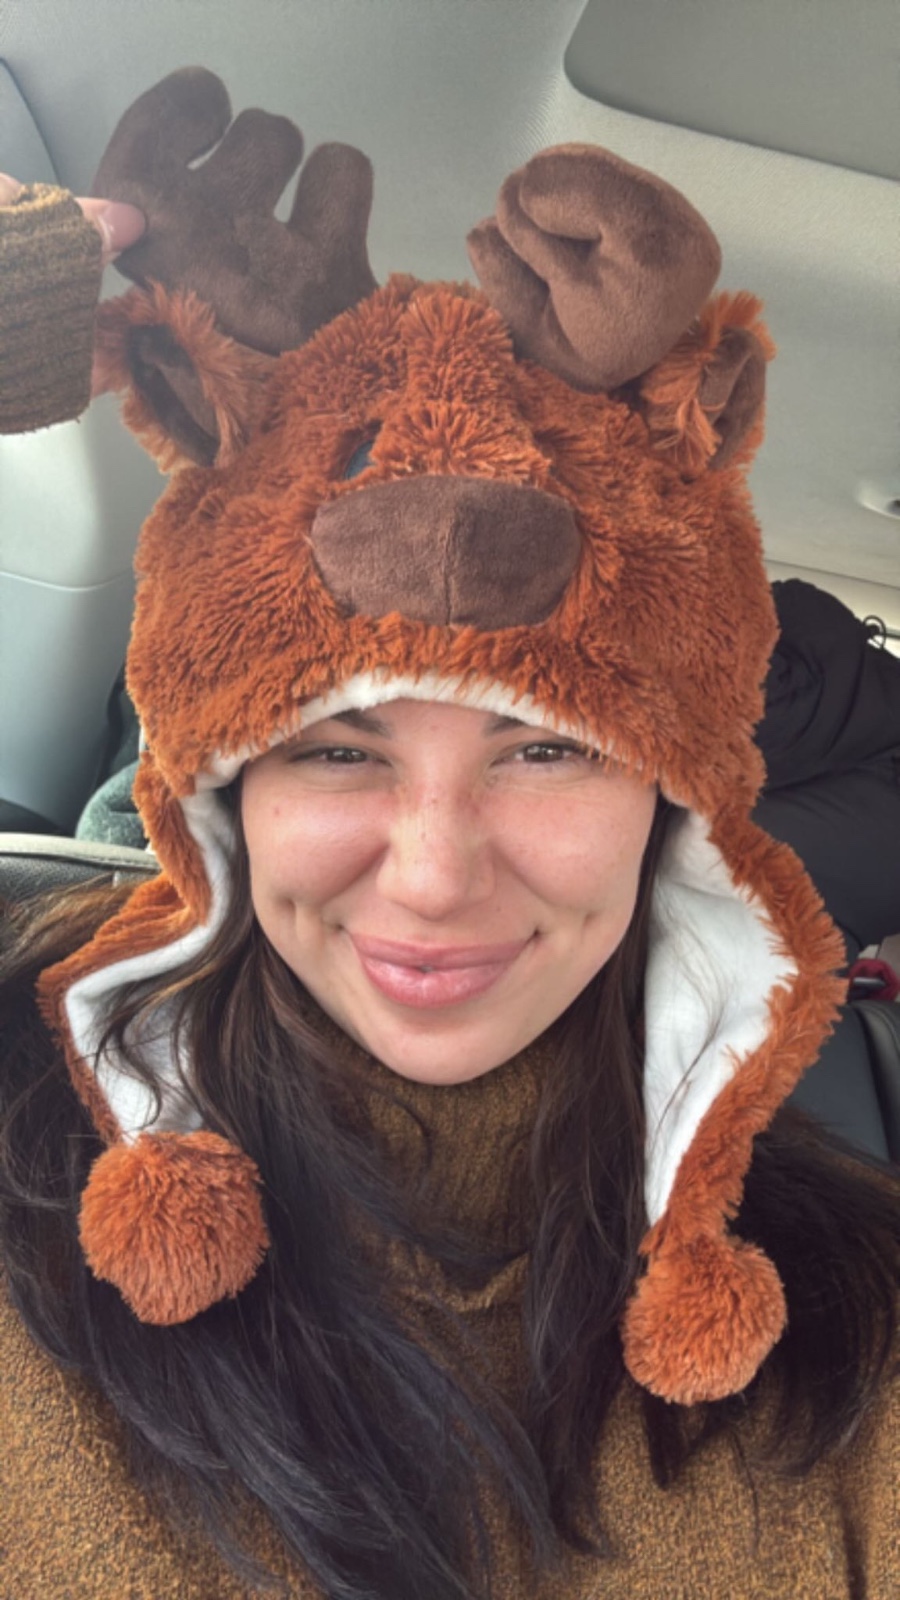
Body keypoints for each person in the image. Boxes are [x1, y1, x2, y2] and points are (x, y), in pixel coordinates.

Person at [1, 68, 898, 1600]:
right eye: (336, 749)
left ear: (672, 799)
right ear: (218, 791)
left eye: (548, 748)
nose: (431, 878)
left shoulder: (855, 1328)